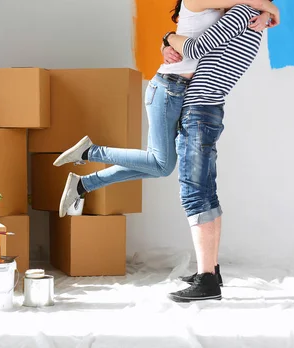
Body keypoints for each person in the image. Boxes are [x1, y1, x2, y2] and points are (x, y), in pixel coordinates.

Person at [53, 0, 277, 219]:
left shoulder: (223, 9)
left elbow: (244, 11)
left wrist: (267, 12)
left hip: (177, 90)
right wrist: (270, 8)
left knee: (161, 166)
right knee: (159, 163)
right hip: (168, 86)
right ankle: (90, 153)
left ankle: (84, 182)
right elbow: (198, 45)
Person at [162, 1, 279, 302]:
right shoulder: (256, 16)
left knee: (195, 193)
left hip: (199, 109)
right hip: (210, 108)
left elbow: (198, 48)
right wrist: (269, 11)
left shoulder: (242, 13)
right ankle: (211, 270)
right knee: (207, 193)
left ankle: (206, 282)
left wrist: (168, 37)